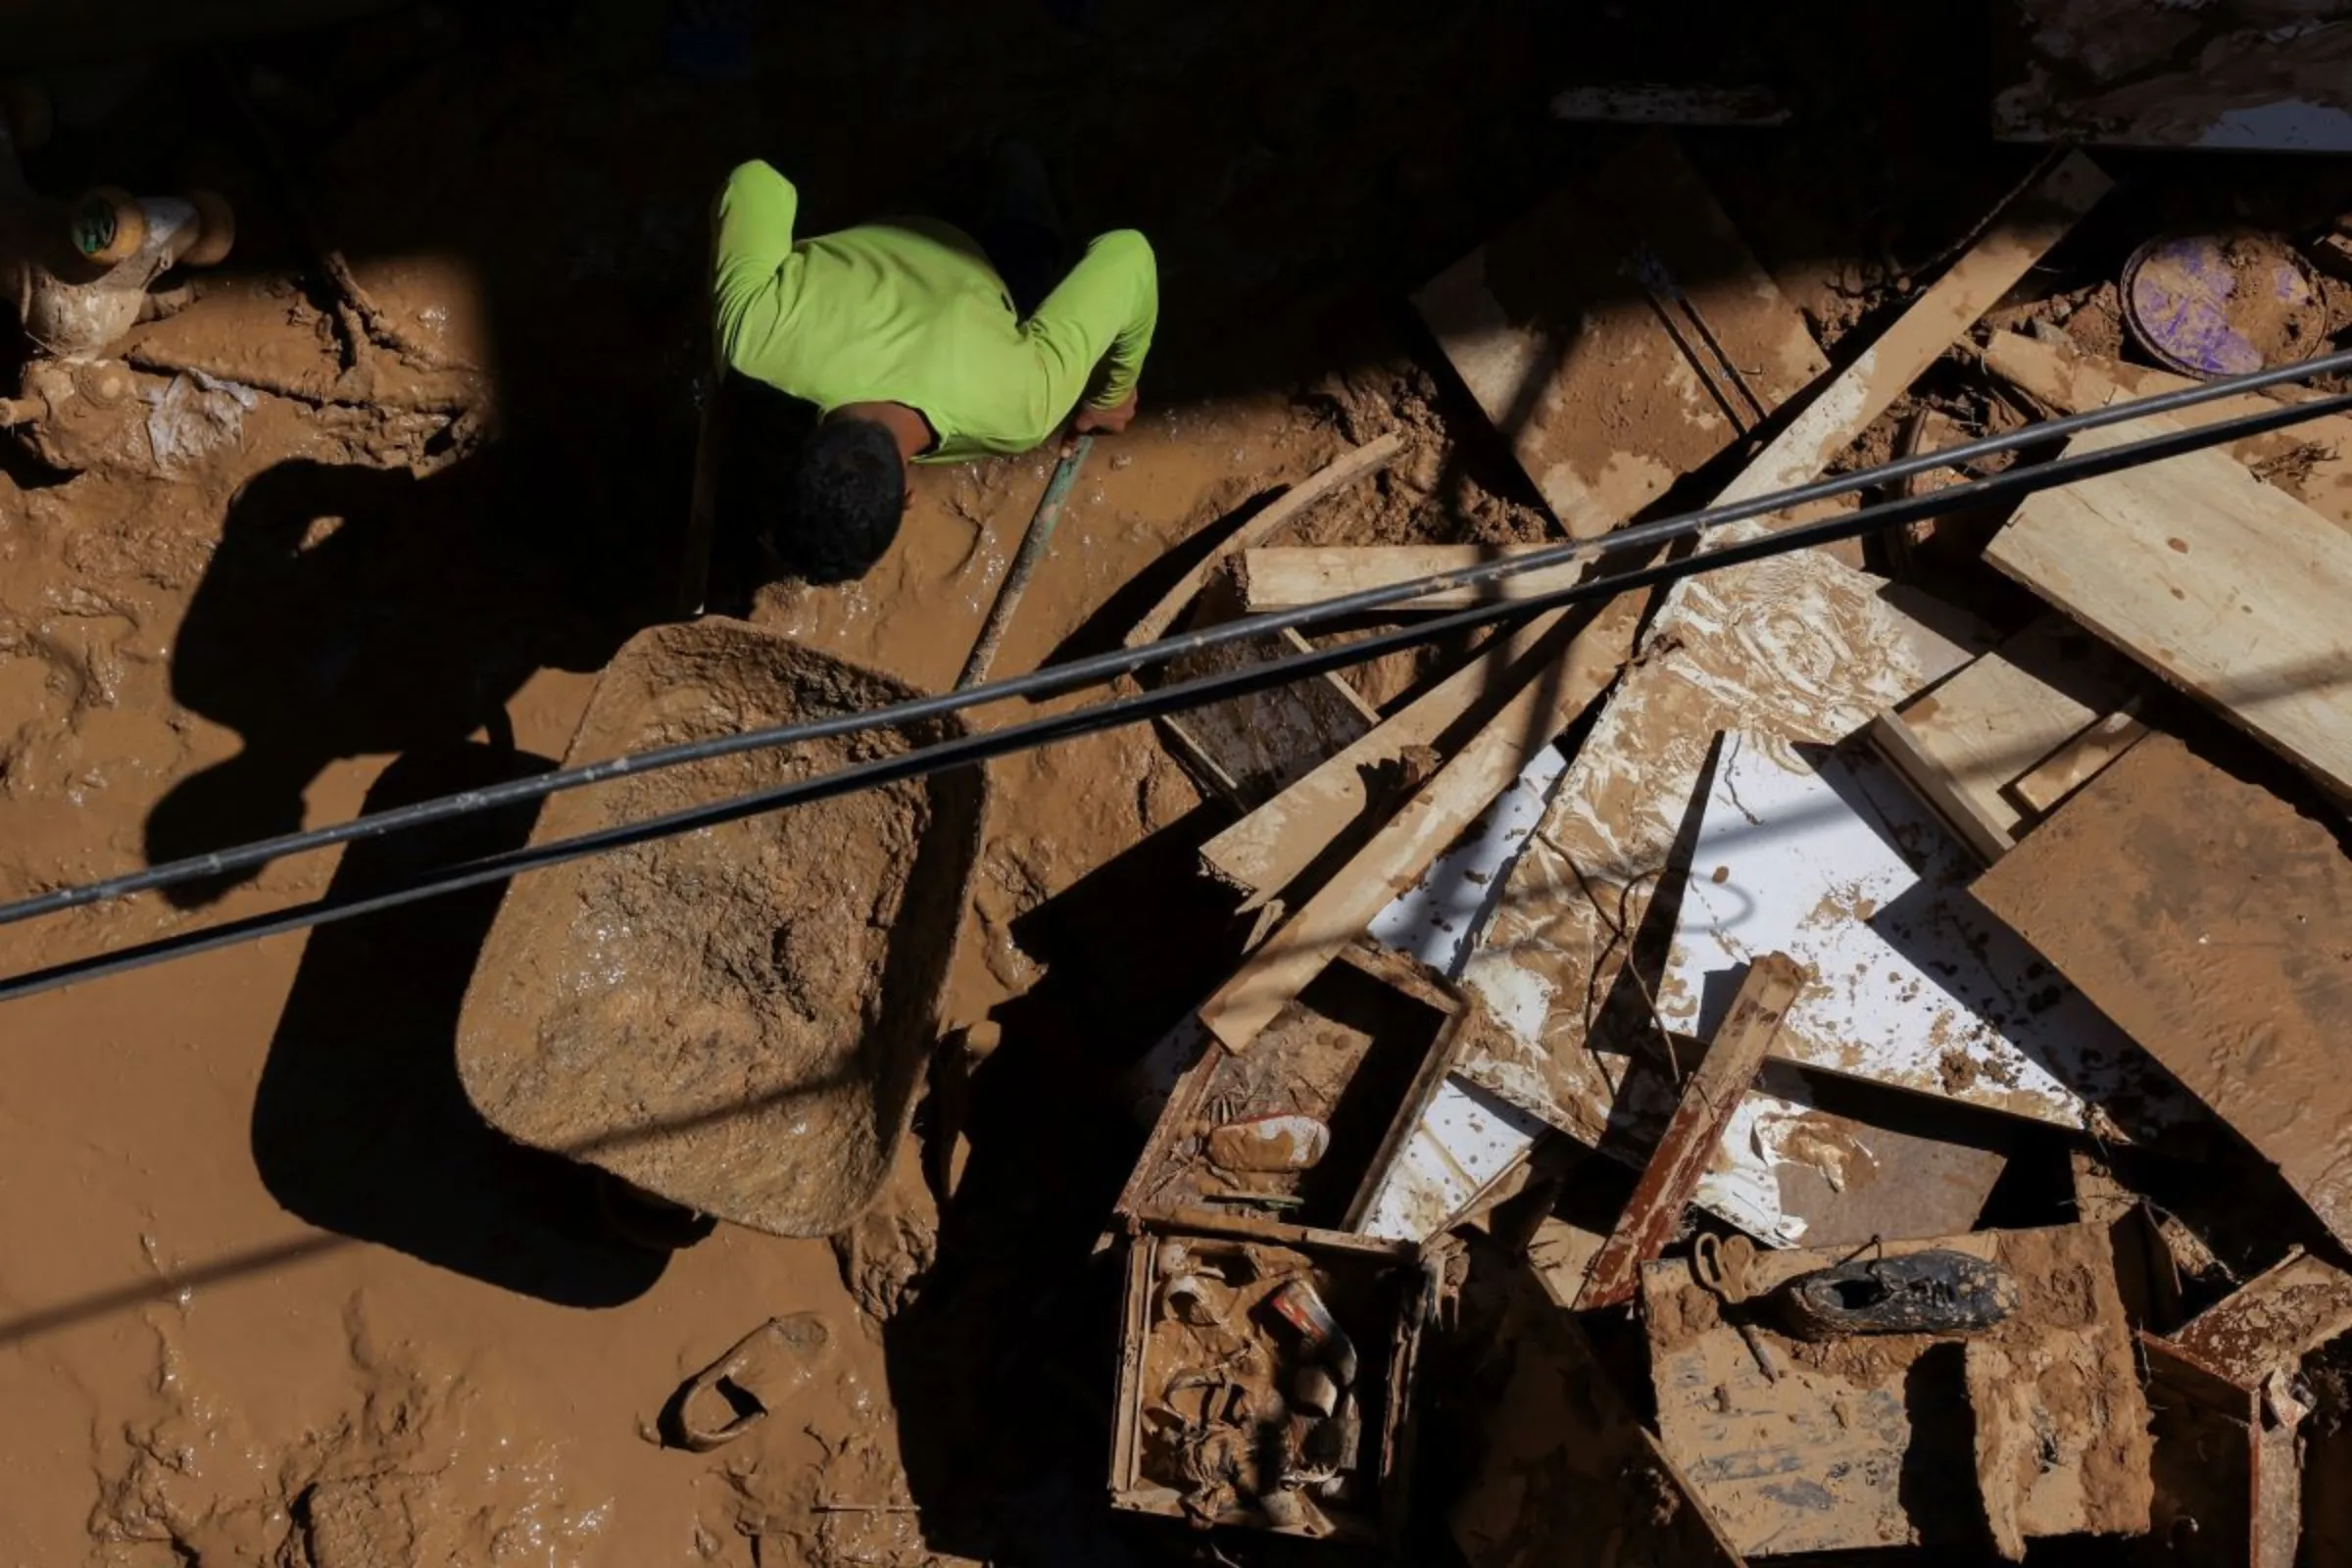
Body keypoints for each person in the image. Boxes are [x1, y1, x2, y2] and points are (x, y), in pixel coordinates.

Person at [709, 152, 1157, 585]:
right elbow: (757, 179)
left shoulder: (1021, 406)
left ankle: (1019, 160)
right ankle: (1011, 159)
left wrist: (1111, 397)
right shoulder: (751, 338)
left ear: (908, 496)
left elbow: (1131, 255)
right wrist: (724, 300)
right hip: (890, 231)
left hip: (974, 259)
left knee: (1024, 238)